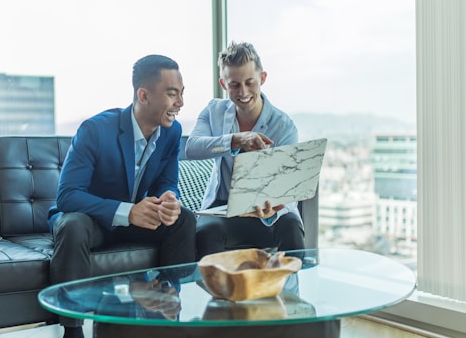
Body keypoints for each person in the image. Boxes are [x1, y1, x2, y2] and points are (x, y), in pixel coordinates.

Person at [48, 54, 196, 338]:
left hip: (135, 224)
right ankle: (72, 330)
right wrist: (127, 212)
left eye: (181, 93)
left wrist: (169, 200)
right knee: (72, 225)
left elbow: (168, 182)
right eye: (172, 94)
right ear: (144, 95)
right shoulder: (95, 129)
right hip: (93, 223)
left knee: (184, 219)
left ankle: (166, 307)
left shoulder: (172, 132)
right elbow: (67, 196)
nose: (180, 103)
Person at [185, 41, 305, 258]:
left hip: (268, 211)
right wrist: (235, 140)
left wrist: (273, 208)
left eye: (250, 82)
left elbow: (290, 188)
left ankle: (291, 291)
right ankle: (217, 292)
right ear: (223, 84)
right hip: (224, 210)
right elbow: (192, 148)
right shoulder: (213, 111)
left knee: (291, 227)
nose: (243, 92)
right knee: (206, 232)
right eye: (234, 85)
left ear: (263, 78)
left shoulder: (284, 126)